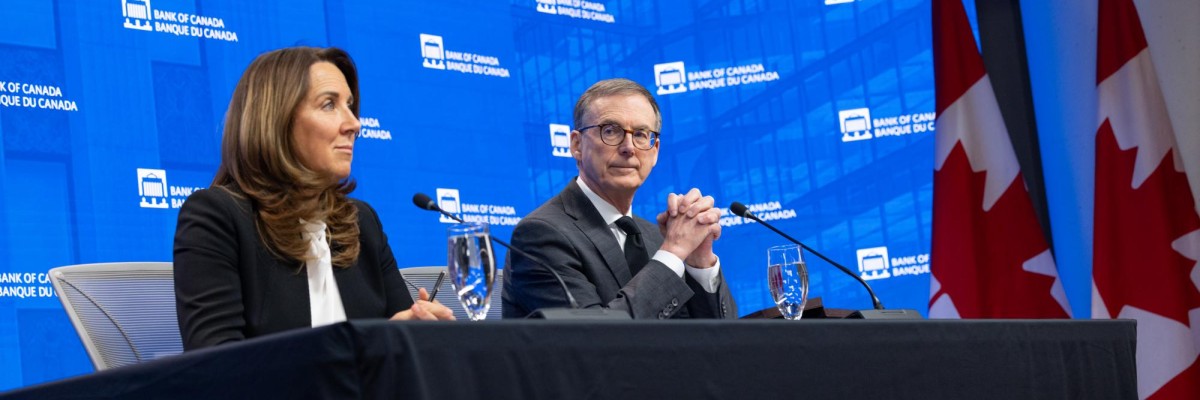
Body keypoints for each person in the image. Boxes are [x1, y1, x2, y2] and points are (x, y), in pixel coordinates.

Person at [174, 47, 454, 351]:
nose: (354, 124)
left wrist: (414, 330)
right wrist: (371, 348)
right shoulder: (216, 217)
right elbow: (215, 363)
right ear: (277, 120)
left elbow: (400, 348)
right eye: (329, 104)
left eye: (350, 106)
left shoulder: (362, 222)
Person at [502, 78, 737, 319]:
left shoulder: (657, 239)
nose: (629, 147)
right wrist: (674, 252)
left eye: (641, 134)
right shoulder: (540, 235)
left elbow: (723, 339)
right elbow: (592, 336)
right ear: (576, 145)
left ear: (655, 151)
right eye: (611, 131)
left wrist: (699, 263)